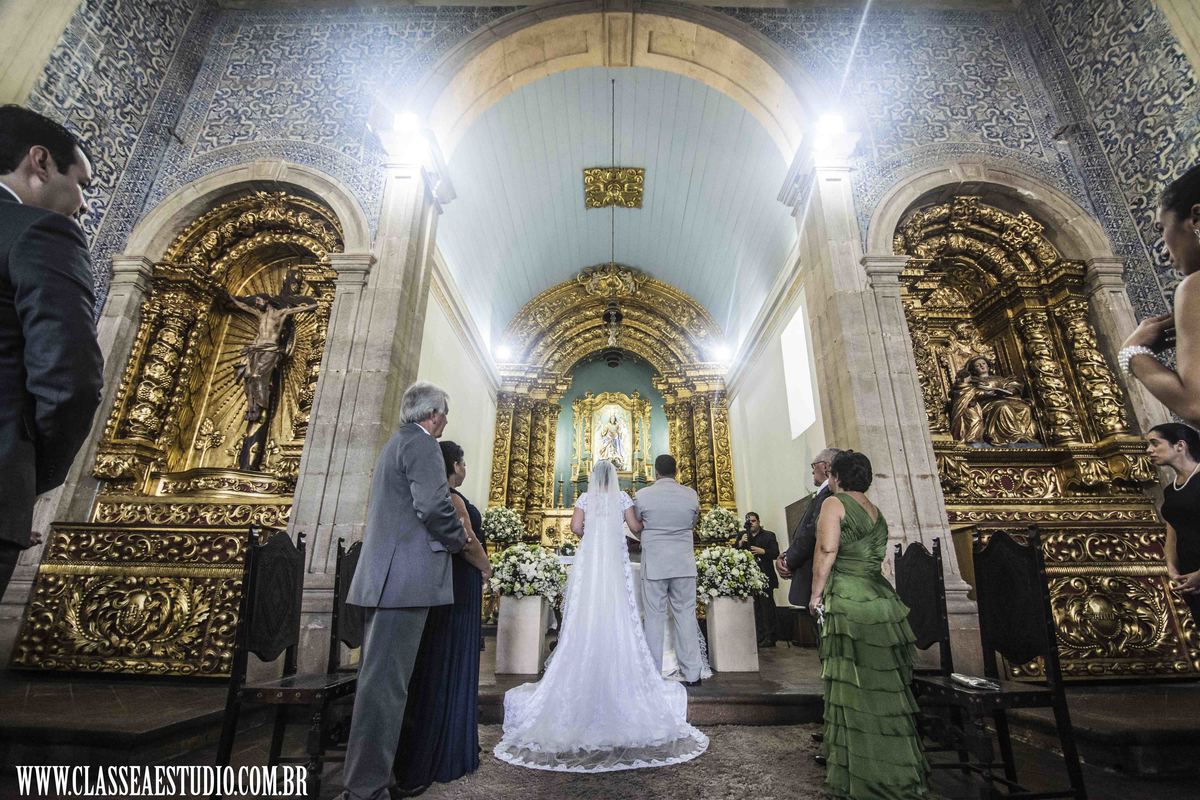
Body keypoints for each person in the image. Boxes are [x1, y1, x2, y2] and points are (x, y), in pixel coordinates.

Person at [493, 459, 708, 772]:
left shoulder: (586, 498)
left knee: (591, 610)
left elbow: (576, 528)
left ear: (592, 478)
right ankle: (672, 671)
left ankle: (592, 660)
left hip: (593, 561)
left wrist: (591, 537)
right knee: (628, 611)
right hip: (633, 560)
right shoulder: (630, 498)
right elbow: (635, 527)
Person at [340, 382, 488, 800]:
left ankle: (371, 779)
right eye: (445, 414)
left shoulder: (396, 442)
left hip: (389, 579)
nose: (445, 422)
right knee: (385, 689)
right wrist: (460, 544)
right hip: (404, 582)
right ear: (435, 413)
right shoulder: (422, 444)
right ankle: (365, 789)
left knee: (380, 685)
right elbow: (434, 507)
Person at [0, 105, 103, 602]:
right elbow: (71, 380)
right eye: (81, 183)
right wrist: (23, 484)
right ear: (39, 163)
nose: (83, 206)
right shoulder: (39, 231)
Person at [810, 450, 927, 799]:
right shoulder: (876, 512)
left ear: (837, 477)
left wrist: (816, 594)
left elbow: (828, 549)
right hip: (879, 598)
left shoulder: (834, 503)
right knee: (883, 685)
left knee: (853, 684)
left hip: (849, 598)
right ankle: (894, 766)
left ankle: (862, 772)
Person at [393, 440, 492, 796]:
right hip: (459, 585)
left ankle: (448, 745)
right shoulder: (451, 497)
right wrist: (486, 567)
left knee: (447, 659)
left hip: (452, 583)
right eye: (463, 463)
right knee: (450, 659)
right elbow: (466, 540)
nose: (466, 469)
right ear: (453, 465)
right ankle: (444, 750)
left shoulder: (444, 496)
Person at [1121, 164, 1200, 424]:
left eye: (1161, 229)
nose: (1164, 252)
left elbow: (1195, 406)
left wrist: (1131, 351)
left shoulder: (1194, 286)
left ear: (1196, 219)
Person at [634, 454, 704, 686]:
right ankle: (693, 672)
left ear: (655, 472)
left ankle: (653, 672)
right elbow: (692, 524)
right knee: (686, 614)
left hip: (655, 563)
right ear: (676, 471)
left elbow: (637, 526)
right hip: (683, 563)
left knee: (654, 617)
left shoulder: (643, 495)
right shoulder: (691, 494)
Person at [1146, 423, 1200, 626]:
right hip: (1190, 577)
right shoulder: (1171, 490)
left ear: (1180, 445)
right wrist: (1172, 567)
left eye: (1154, 443)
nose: (1149, 450)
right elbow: (1172, 532)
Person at [777, 448, 840, 609]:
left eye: (814, 465)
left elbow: (812, 533)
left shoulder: (829, 494)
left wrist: (788, 561)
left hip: (819, 579)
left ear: (825, 466)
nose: (812, 470)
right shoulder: (824, 494)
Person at [736, 512, 779, 647]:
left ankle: (770, 637)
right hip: (749, 576)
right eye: (749, 522)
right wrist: (740, 543)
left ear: (759, 521)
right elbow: (734, 553)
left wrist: (763, 551)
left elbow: (775, 553)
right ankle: (758, 636)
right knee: (755, 608)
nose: (751, 524)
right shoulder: (742, 535)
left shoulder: (769, 535)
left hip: (765, 575)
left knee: (767, 608)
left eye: (753, 521)